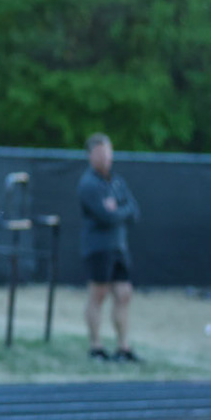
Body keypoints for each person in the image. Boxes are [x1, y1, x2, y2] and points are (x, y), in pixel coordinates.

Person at [77, 133, 140, 363]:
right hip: (98, 248)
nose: (106, 157)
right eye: (101, 153)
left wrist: (119, 209)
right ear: (91, 155)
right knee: (98, 294)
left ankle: (123, 348)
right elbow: (106, 216)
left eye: (108, 152)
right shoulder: (88, 184)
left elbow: (134, 210)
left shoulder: (117, 181)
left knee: (124, 294)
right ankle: (96, 347)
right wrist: (119, 211)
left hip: (118, 247)